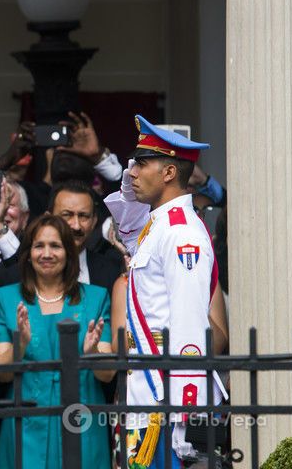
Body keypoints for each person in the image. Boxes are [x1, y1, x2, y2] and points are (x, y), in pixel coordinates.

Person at [104, 115, 226, 467]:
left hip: (169, 406)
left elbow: (190, 327)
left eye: (141, 164)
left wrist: (187, 414)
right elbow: (126, 225)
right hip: (149, 396)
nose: (132, 172)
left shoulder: (181, 232)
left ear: (169, 172)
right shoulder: (157, 226)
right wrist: (131, 186)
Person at [0, 214, 112, 468]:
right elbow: (1, 375)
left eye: (55, 246)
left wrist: (92, 353)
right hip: (26, 424)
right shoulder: (6, 298)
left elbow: (108, 374)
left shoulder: (96, 297)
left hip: (82, 422)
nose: (47, 254)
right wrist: (21, 343)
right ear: (28, 253)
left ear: (69, 252)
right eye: (39, 246)